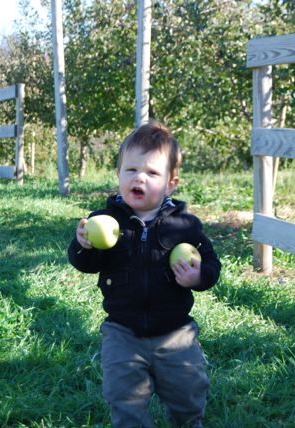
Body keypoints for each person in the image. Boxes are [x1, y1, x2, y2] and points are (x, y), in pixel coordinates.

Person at [68, 120, 221, 428]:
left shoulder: (185, 225)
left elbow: (211, 264)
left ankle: (188, 423)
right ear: (118, 175)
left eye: (151, 172)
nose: (139, 177)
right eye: (131, 169)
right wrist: (84, 245)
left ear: (170, 183)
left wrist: (197, 277)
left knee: (189, 395)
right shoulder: (105, 220)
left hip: (176, 332)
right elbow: (86, 264)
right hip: (122, 332)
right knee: (124, 400)